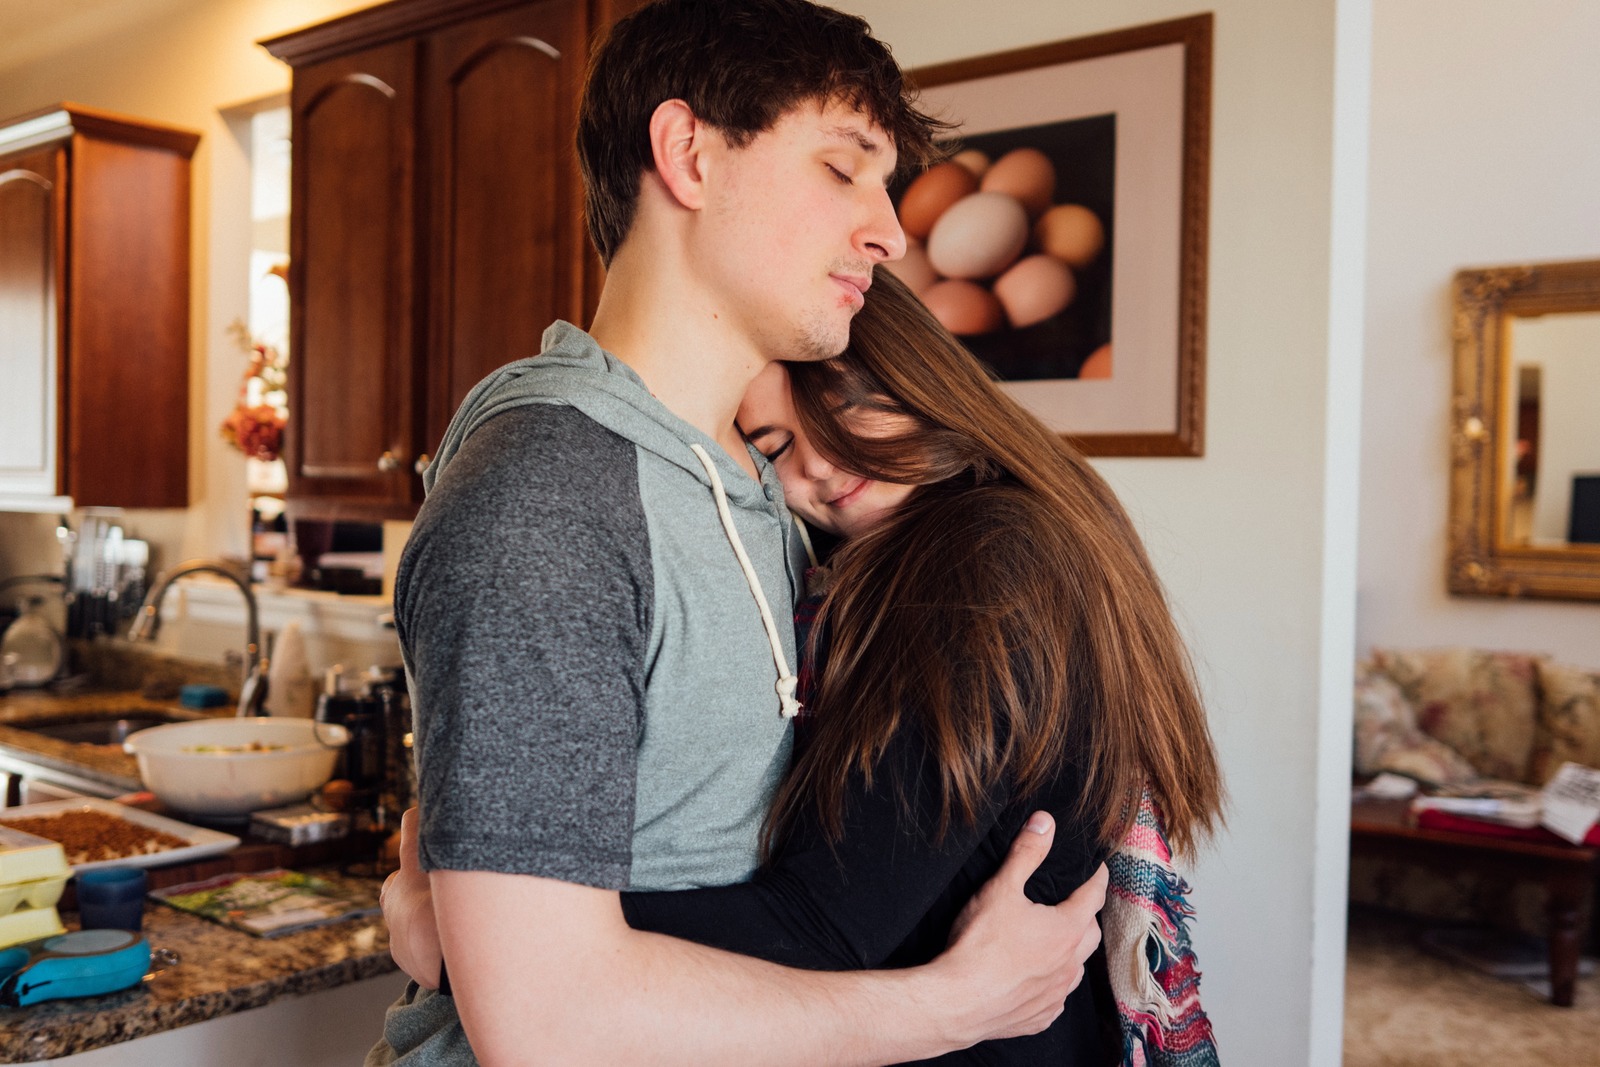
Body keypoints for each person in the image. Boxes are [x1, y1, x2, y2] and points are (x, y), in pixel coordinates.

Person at [368, 1, 1108, 1064]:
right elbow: (543, 1020)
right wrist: (953, 1001)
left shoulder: (766, 501)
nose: (890, 230)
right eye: (843, 167)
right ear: (689, 156)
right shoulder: (548, 492)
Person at [385, 270, 1227, 1065]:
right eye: (775, 445)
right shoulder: (889, 566)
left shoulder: (986, 569)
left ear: (925, 379)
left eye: (851, 404)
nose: (818, 464)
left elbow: (826, 925)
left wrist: (482, 938)